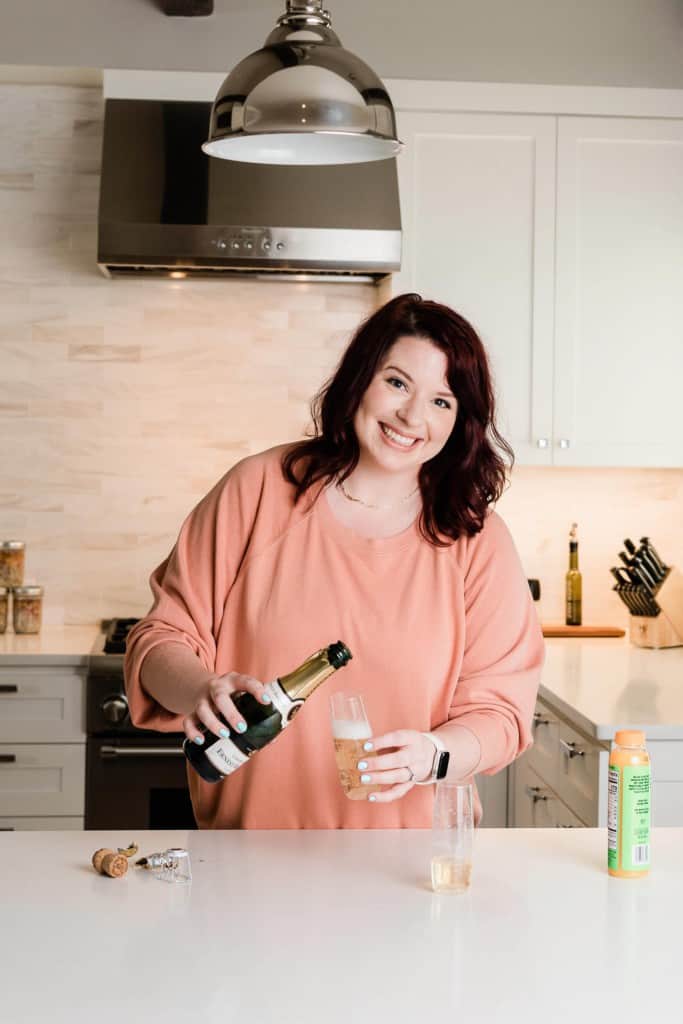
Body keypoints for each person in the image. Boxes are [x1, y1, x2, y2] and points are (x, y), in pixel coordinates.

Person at [124, 292, 544, 829]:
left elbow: (502, 714)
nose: (413, 415)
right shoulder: (257, 491)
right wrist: (201, 689)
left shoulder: (476, 541)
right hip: (250, 856)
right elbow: (160, 639)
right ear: (360, 380)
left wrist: (433, 755)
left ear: (461, 419)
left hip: (410, 867)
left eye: (442, 400)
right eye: (397, 382)